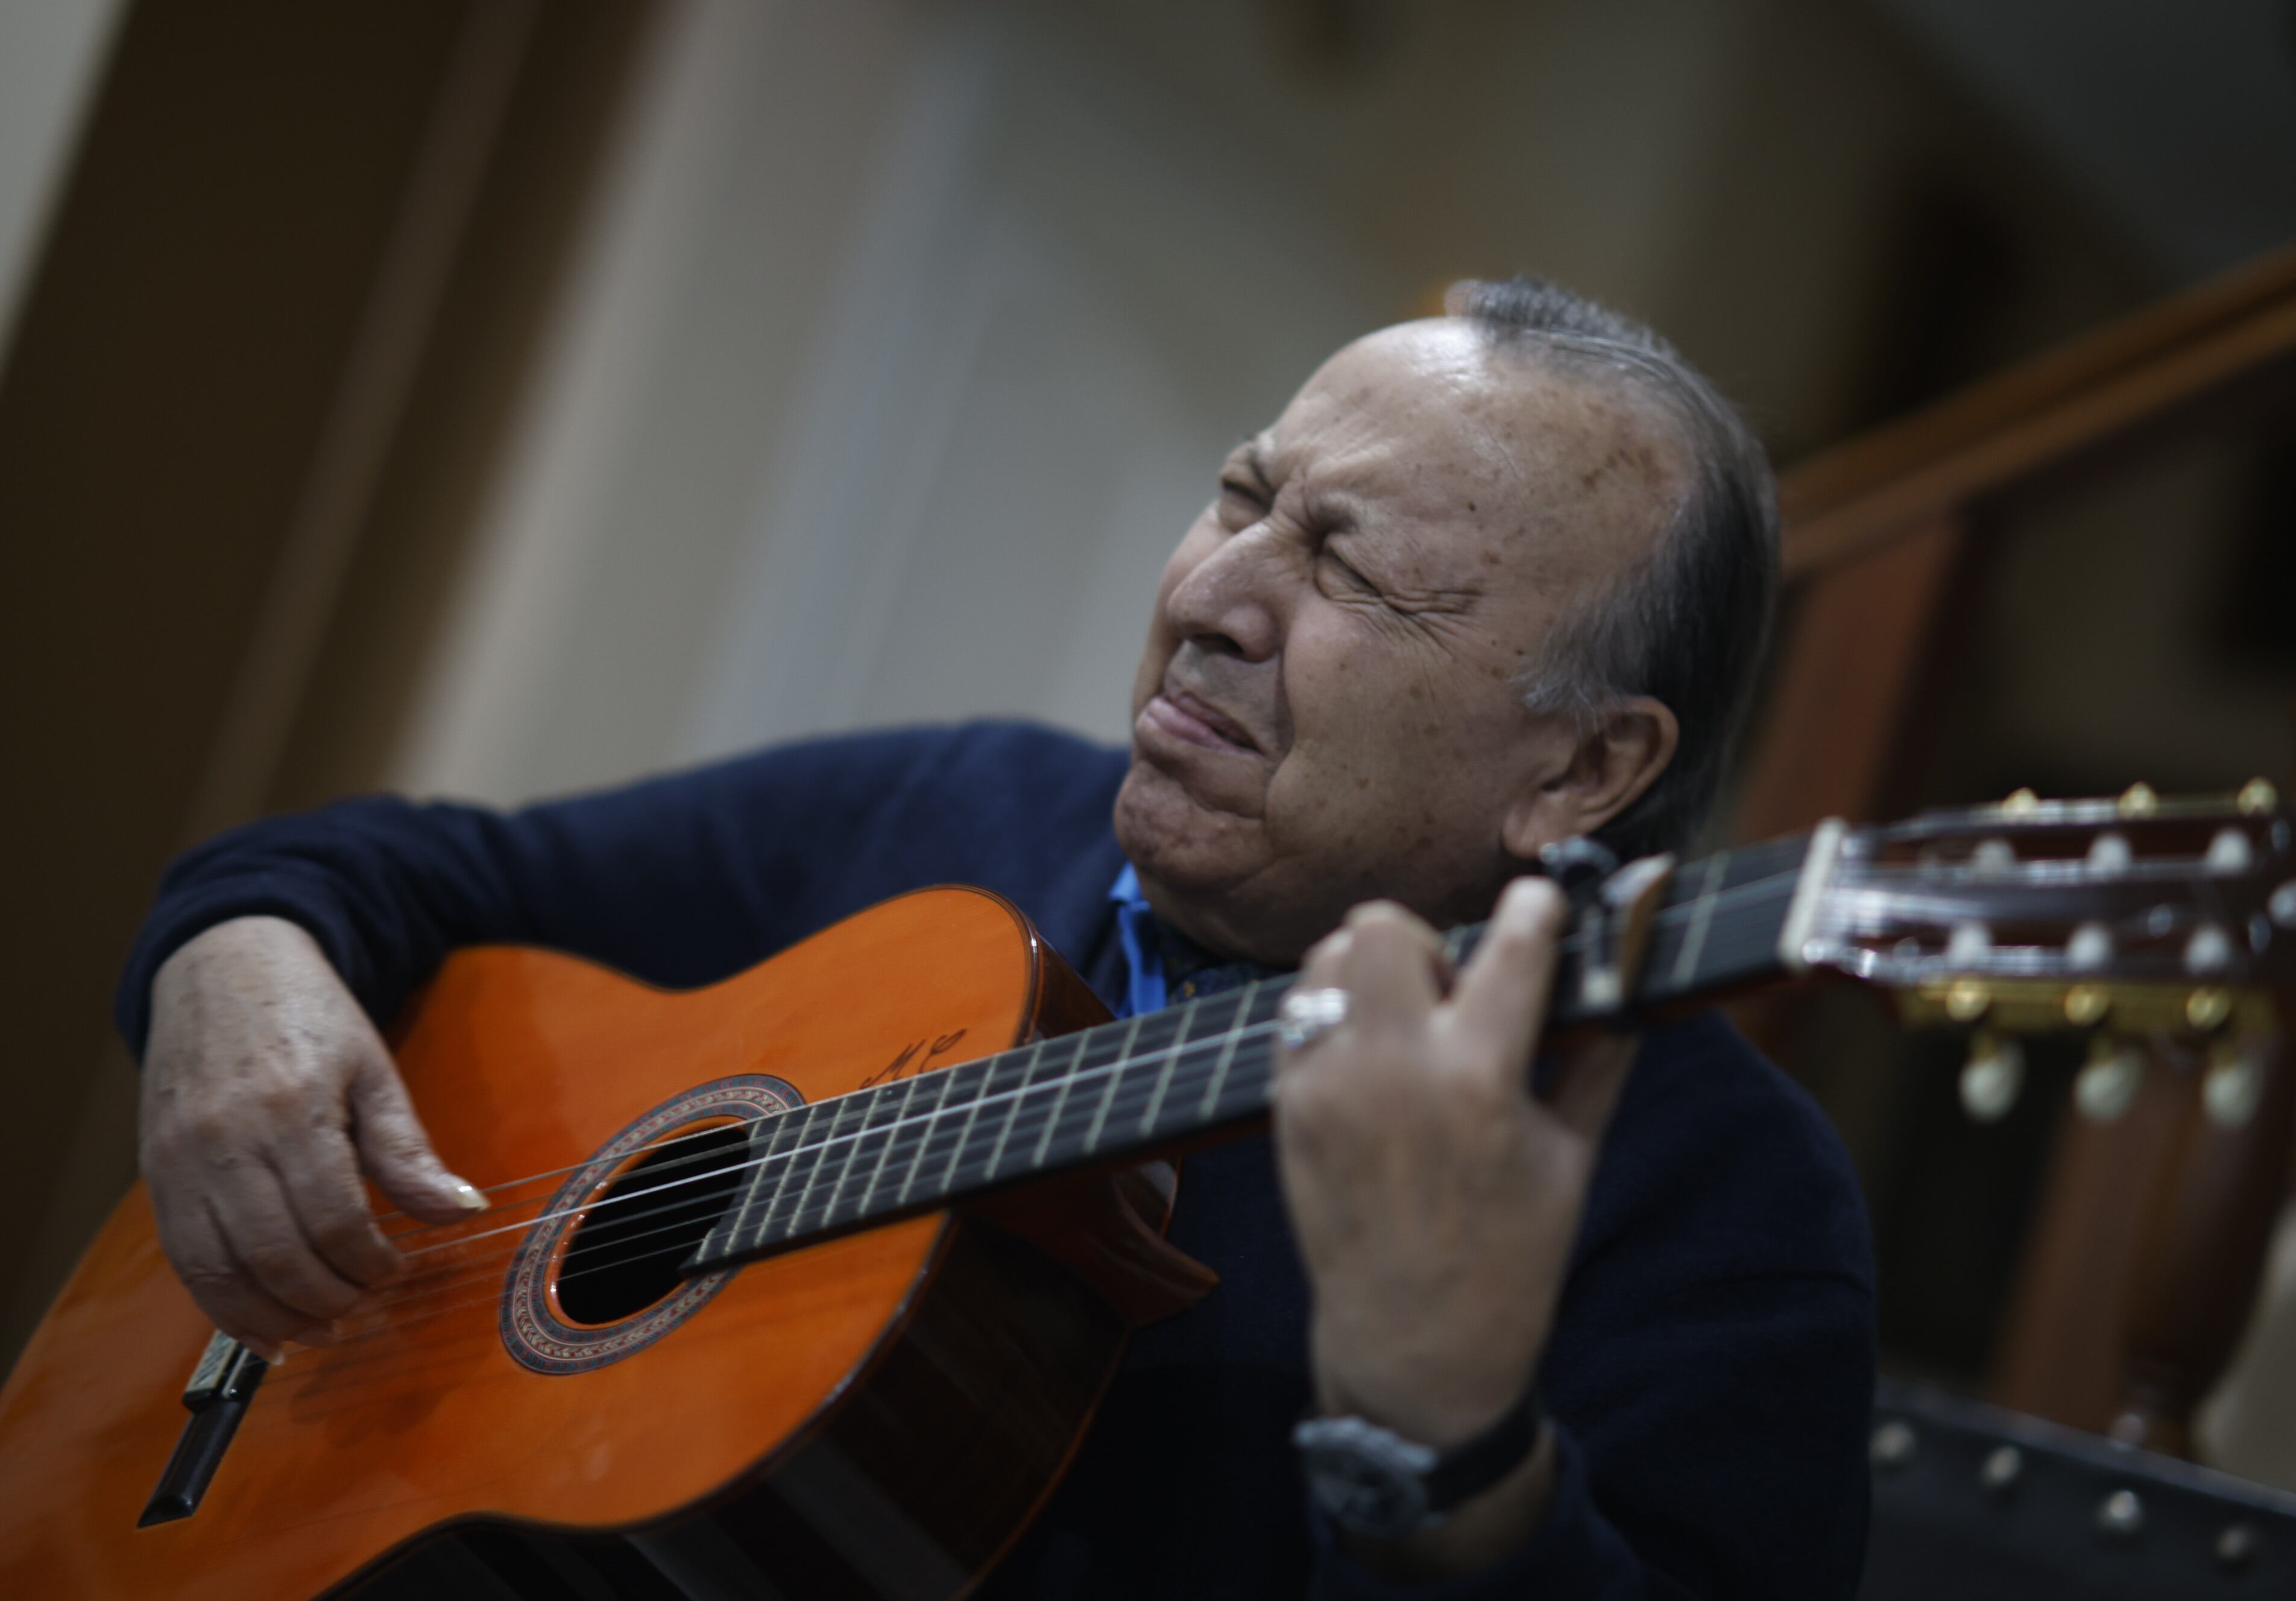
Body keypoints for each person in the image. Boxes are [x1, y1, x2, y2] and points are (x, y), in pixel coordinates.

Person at [118, 278, 1874, 1597]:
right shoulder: (954, 809)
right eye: (1244, 493)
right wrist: (242, 962)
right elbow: (405, 869)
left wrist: (1450, 1452)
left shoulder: (1720, 1206)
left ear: (1582, 767)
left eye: (1349, 570)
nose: (1210, 594)